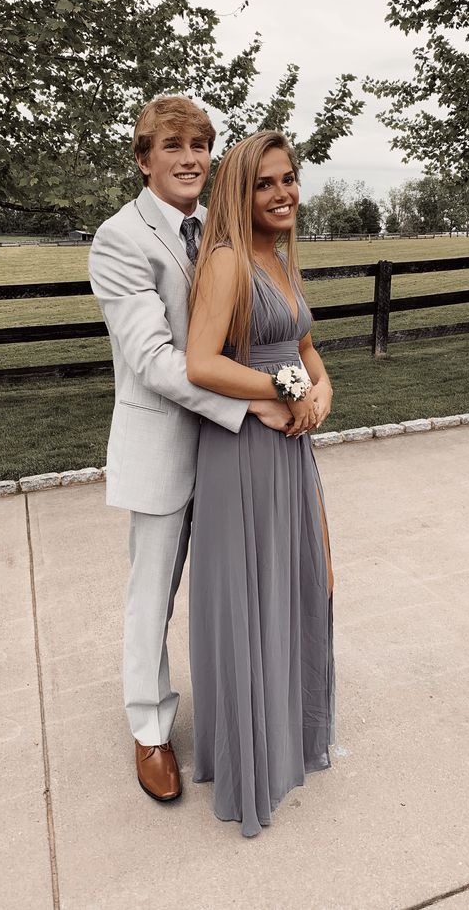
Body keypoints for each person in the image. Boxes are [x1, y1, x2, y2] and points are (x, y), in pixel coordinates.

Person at [88, 97, 293, 804]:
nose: (190, 158)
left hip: (230, 455)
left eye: (200, 144)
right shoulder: (121, 239)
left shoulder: (217, 228)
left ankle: (240, 707)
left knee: (231, 582)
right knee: (153, 594)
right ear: (144, 158)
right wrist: (253, 399)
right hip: (168, 444)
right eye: (172, 145)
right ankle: (150, 730)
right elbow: (152, 358)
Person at [186, 131, 336, 837]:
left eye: (290, 179)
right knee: (251, 593)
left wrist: (322, 391)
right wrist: (282, 387)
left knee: (294, 583)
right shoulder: (224, 262)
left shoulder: (277, 259)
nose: (282, 194)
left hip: (291, 445)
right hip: (244, 450)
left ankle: (287, 735)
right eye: (265, 183)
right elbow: (200, 363)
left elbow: (305, 347)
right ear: (239, 191)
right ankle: (251, 759)